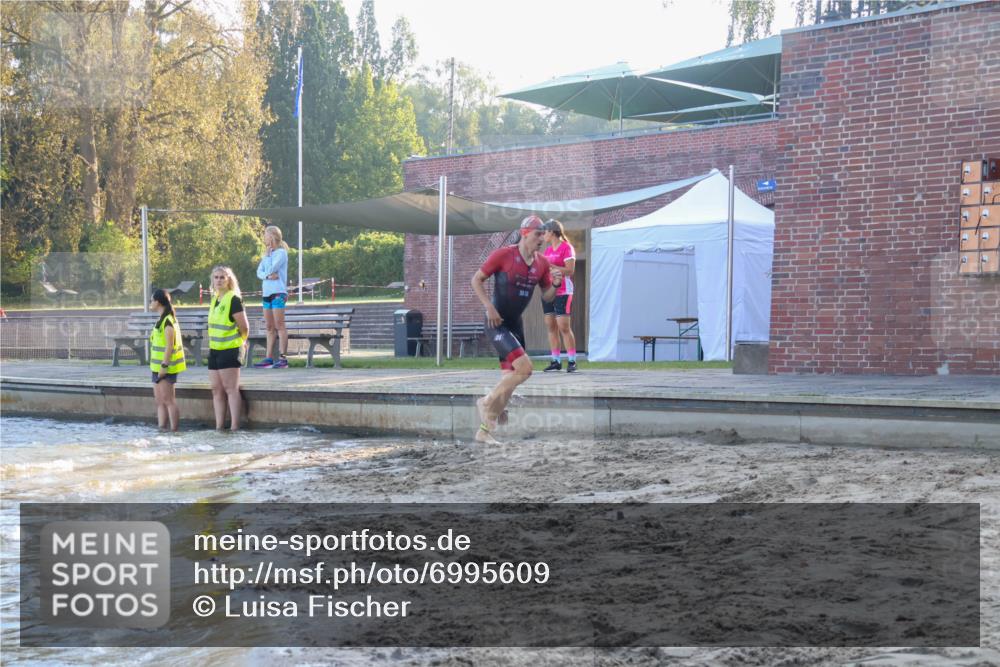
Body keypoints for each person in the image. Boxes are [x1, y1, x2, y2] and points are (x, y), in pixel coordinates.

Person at [471, 215, 561, 444]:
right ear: (524, 233)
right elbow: (476, 280)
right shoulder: (504, 255)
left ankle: (484, 432)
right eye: (538, 234)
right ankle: (486, 401)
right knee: (525, 369)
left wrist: (556, 284)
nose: (541, 239)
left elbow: (547, 296)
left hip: (515, 325)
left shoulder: (542, 263)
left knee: (509, 384)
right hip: (496, 323)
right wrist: (489, 307)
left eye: (543, 235)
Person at [208, 265, 250, 431]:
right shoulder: (215, 299)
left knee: (231, 389)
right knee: (216, 389)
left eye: (222, 277)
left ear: (228, 280)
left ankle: (234, 427)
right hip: (214, 350)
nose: (218, 280)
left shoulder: (234, 299)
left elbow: (244, 327)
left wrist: (242, 342)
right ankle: (219, 427)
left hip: (230, 349)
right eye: (216, 277)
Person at [540, 219, 578, 373]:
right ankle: (555, 361)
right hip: (549, 291)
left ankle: (572, 361)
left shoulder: (567, 247)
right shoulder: (547, 251)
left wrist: (551, 266)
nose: (543, 235)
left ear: (552, 232)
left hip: (564, 291)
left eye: (545, 232)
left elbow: (570, 271)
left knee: (563, 327)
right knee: (551, 326)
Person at [149, 288, 186, 431]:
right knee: (159, 401)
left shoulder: (168, 321)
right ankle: (161, 429)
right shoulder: (161, 319)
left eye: (152, 300)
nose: (150, 303)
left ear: (158, 302)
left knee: (169, 400)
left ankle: (174, 431)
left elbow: (170, 346)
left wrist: (164, 366)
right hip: (156, 367)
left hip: (165, 368)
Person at [254, 225, 289, 368]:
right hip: (266, 293)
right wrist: (268, 276)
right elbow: (259, 272)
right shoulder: (266, 255)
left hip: (278, 293)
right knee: (269, 326)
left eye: (266, 235)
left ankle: (283, 359)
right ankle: (268, 358)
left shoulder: (281, 253)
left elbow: (271, 268)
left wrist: (268, 262)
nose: (264, 238)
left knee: (279, 325)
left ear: (272, 236)